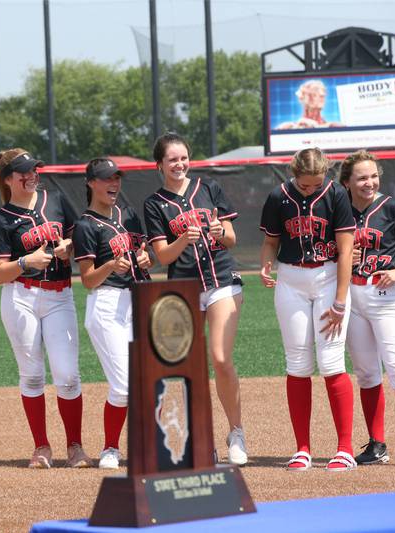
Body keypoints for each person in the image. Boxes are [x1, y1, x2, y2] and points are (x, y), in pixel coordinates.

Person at [143, 132, 248, 466]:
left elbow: (231, 237)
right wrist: (181, 241)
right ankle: (202, 441)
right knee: (189, 367)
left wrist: (220, 232)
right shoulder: (155, 203)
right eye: (172, 159)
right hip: (185, 287)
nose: (180, 164)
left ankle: (236, 432)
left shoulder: (208, 188)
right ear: (159, 164)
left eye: (184, 157)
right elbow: (162, 256)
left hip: (221, 281)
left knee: (219, 357)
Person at [0, 148, 91, 469]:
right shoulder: (3, 219)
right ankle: (41, 447)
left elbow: (81, 237)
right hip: (21, 297)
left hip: (59, 295)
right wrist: (25, 262)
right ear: (9, 180)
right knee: (32, 376)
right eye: (24, 171)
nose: (32, 175)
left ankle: (75, 446)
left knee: (68, 376)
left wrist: (69, 246)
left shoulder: (55, 200)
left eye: (34, 169)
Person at [259, 147, 357, 471]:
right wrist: (265, 265)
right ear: (293, 173)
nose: (311, 189)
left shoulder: (337, 194)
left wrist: (341, 301)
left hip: (329, 277)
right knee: (298, 363)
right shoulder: (278, 196)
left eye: (316, 183)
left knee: (331, 361)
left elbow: (345, 252)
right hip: (291, 279)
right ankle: (302, 448)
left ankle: (345, 449)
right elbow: (271, 241)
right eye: (305, 185)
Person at [338, 150, 395, 469]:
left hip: (385, 295)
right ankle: (377, 445)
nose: (369, 182)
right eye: (362, 177)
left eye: (373, 176)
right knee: (367, 373)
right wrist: (341, 258)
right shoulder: (339, 211)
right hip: (353, 297)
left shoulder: (392, 208)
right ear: (347, 182)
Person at [72, 158, 152, 469]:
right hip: (106, 305)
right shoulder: (85, 225)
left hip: (137, 299)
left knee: (143, 381)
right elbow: (88, 280)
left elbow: (145, 253)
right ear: (91, 182)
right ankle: (110, 448)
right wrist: (110, 265)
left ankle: (141, 445)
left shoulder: (128, 215)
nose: (114, 184)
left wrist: (145, 258)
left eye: (117, 178)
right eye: (107, 179)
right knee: (123, 385)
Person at [276, 79, 343, 130]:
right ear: (304, 98)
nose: (322, 95)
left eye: (323, 93)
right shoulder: (287, 127)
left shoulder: (333, 126)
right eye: (314, 94)